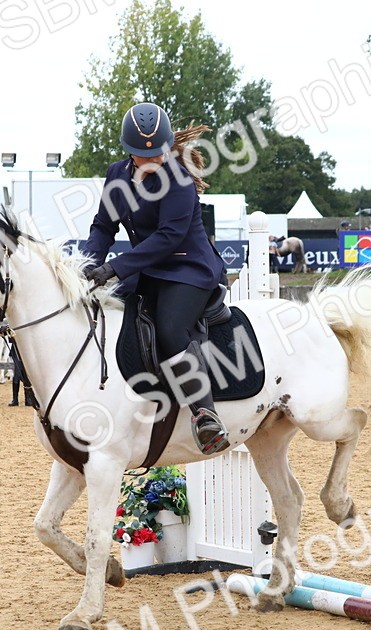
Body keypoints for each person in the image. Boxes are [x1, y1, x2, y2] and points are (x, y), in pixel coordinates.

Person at [80, 102, 230, 454]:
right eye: (142, 155)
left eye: (158, 153)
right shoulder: (117, 174)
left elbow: (168, 239)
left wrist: (114, 268)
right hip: (145, 268)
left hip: (187, 268)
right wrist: (88, 263)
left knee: (169, 327)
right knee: (110, 312)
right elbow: (104, 225)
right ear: (129, 152)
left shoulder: (178, 180)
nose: (153, 161)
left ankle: (205, 414)